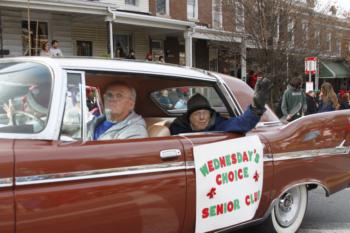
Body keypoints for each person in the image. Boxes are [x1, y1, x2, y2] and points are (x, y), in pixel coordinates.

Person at [169, 78, 273, 135]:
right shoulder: (178, 130)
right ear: (189, 118)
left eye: (205, 113)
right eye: (197, 114)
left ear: (210, 115)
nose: (202, 117)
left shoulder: (218, 125)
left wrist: (256, 107)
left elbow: (242, 123)